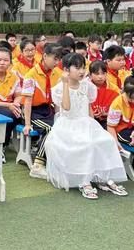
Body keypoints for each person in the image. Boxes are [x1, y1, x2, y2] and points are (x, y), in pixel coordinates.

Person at [45, 53, 127, 199]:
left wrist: (93, 125)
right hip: (68, 126)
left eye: (83, 67)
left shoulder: (87, 85)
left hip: (86, 122)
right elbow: (67, 107)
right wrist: (64, 84)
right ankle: (84, 181)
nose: (82, 71)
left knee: (106, 140)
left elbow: (88, 107)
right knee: (86, 144)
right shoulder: (59, 88)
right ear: (66, 70)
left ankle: (102, 177)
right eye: (77, 68)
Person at [21, 44, 63, 179]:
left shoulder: (58, 73)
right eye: (54, 59)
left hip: (47, 109)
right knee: (51, 129)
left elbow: (57, 99)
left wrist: (59, 117)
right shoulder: (31, 74)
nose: (57, 62)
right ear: (45, 56)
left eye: (59, 59)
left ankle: (55, 160)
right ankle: (38, 165)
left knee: (60, 127)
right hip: (32, 111)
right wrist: (27, 124)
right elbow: (27, 101)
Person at [89, 60, 119, 129]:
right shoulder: (85, 87)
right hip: (89, 120)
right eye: (97, 74)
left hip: (108, 120)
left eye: (103, 73)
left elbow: (119, 108)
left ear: (106, 74)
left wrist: (107, 114)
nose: (100, 76)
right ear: (90, 75)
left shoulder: (113, 88)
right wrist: (90, 114)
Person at [107, 76, 134, 151]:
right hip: (123, 129)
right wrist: (115, 143)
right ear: (124, 91)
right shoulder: (118, 103)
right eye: (131, 98)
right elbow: (111, 126)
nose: (133, 101)